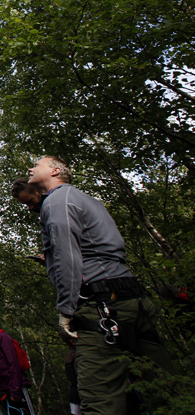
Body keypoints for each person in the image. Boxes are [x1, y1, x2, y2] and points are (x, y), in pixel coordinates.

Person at [26, 155, 176, 415]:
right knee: (167, 389)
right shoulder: (89, 200)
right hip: (133, 300)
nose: (30, 168)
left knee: (100, 402)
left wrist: (66, 310)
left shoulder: (58, 201)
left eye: (37, 164)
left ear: (56, 170)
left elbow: (68, 257)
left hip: (103, 308)